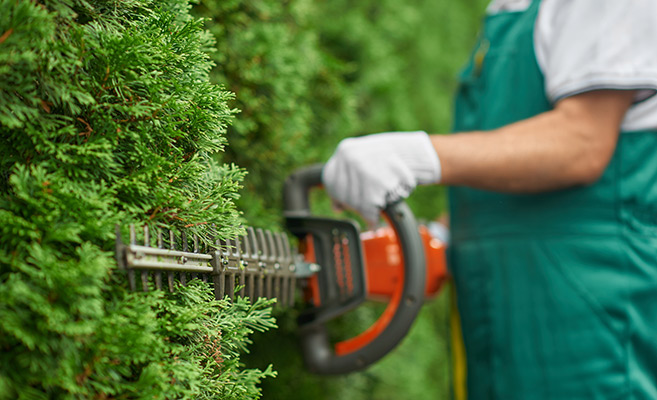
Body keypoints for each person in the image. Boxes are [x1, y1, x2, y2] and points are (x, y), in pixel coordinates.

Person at [321, 0, 657, 398]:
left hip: (586, 304)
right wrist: (440, 238)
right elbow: (508, 162)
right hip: (497, 306)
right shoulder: (512, 10)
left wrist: (418, 155)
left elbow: (584, 141)